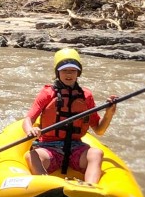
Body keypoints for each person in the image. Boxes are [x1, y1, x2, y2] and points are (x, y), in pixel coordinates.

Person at [22, 48, 118, 184]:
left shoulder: (86, 96)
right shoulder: (47, 93)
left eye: (73, 70)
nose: (69, 74)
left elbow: (99, 130)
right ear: (57, 72)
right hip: (49, 147)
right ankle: (47, 187)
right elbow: (28, 119)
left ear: (78, 73)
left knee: (96, 153)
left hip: (76, 148)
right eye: (64, 70)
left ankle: (90, 188)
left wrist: (109, 113)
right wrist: (30, 130)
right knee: (32, 155)